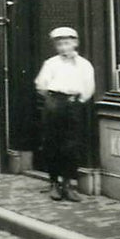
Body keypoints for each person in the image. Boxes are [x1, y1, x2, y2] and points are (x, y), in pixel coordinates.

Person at [34, 26, 95, 202]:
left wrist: (78, 101)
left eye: (67, 43)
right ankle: (54, 183)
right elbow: (41, 85)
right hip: (54, 103)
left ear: (75, 43)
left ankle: (68, 185)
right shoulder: (51, 63)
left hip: (73, 104)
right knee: (52, 143)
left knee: (71, 145)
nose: (63, 48)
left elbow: (89, 87)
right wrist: (54, 101)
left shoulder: (84, 64)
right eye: (59, 44)